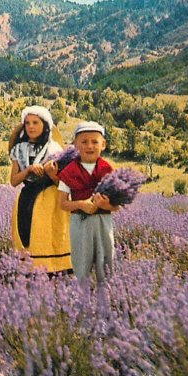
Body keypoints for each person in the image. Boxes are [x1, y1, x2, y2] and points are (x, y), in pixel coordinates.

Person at [8, 105, 72, 274]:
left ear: (45, 124)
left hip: (50, 199)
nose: (31, 126)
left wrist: (51, 174)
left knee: (50, 233)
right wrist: (28, 170)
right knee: (30, 236)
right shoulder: (18, 149)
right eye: (27, 123)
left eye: (35, 122)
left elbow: (62, 183)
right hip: (27, 198)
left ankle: (55, 269)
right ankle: (31, 271)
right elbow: (14, 181)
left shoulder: (55, 149)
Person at [56, 121, 120, 284]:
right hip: (79, 222)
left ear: (103, 144)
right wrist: (81, 204)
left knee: (106, 259)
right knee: (81, 259)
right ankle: (82, 295)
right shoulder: (69, 171)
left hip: (103, 222)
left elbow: (116, 205)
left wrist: (105, 205)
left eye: (94, 141)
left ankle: (106, 296)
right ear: (75, 145)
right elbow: (62, 203)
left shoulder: (108, 170)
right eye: (84, 142)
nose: (89, 146)